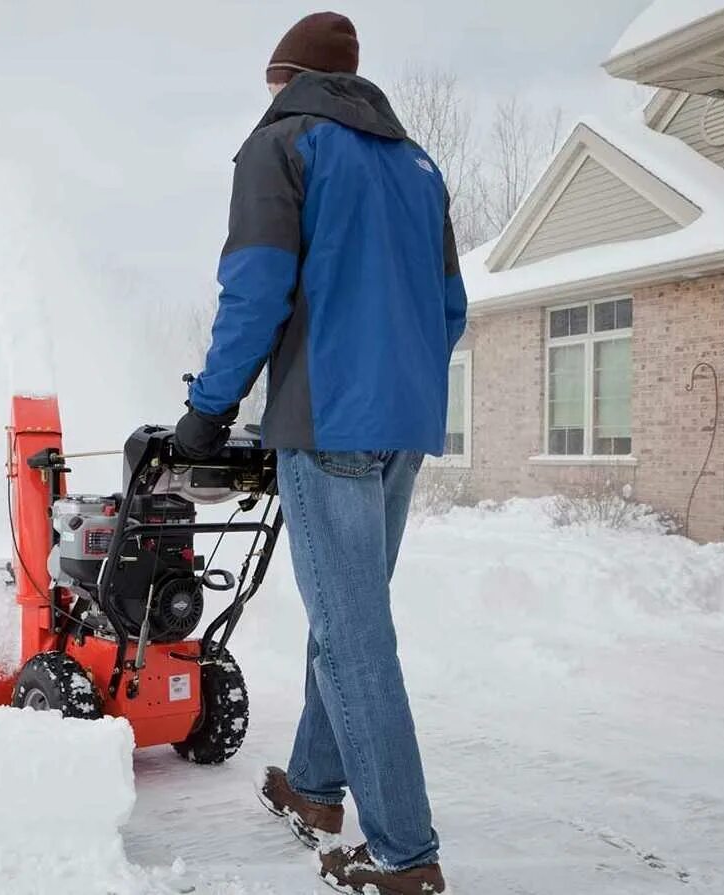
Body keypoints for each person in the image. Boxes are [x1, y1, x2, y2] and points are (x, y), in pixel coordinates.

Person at [173, 11, 466, 895]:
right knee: (349, 611)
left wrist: (207, 409)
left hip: (329, 417)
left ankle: (403, 855)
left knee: (350, 633)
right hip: (403, 425)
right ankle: (311, 786)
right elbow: (450, 308)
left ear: (288, 76)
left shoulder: (281, 143)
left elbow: (255, 287)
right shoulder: (418, 166)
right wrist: (400, 380)